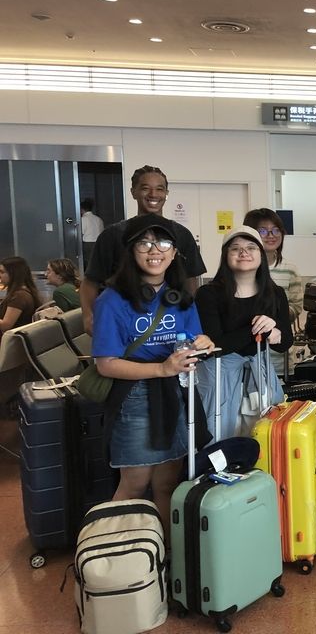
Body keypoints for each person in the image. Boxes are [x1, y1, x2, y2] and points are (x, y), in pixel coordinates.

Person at [92, 214, 214, 536]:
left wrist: (202, 344)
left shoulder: (180, 299)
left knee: (167, 481)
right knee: (135, 483)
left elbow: (190, 343)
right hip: (135, 397)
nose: (154, 250)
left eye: (162, 242)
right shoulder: (111, 300)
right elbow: (106, 363)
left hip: (174, 394)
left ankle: (167, 556)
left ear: (174, 252)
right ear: (131, 251)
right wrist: (161, 368)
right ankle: (113, 557)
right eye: (144, 242)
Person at [81, 165, 206, 335]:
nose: (153, 195)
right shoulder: (113, 235)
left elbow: (191, 281)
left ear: (166, 193)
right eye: (145, 188)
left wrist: (189, 316)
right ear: (133, 192)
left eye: (160, 189)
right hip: (122, 326)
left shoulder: (181, 234)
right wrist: (88, 316)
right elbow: (90, 281)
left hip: (168, 327)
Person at [195, 226, 292, 440]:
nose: (244, 253)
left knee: (264, 437)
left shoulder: (275, 294)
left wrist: (274, 332)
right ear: (225, 256)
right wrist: (257, 330)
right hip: (219, 379)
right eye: (235, 248)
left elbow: (284, 342)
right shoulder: (208, 294)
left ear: (261, 255)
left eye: (251, 247)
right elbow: (217, 345)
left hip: (261, 376)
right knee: (218, 436)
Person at [243, 208, 303, 374]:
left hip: (279, 359)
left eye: (276, 230)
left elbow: (296, 307)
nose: (271, 235)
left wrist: (271, 320)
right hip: (246, 357)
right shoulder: (241, 268)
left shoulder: (290, 269)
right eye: (263, 231)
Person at [0, 256, 41, 332]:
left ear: (14, 274)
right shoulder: (26, 291)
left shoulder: (19, 296)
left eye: (2, 272)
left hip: (12, 341)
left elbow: (5, 325)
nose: (0, 275)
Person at [80, 199, 105, 264]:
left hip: (88, 244)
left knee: (88, 263)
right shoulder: (99, 219)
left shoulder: (83, 219)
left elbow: (81, 233)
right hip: (99, 243)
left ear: (82, 209)